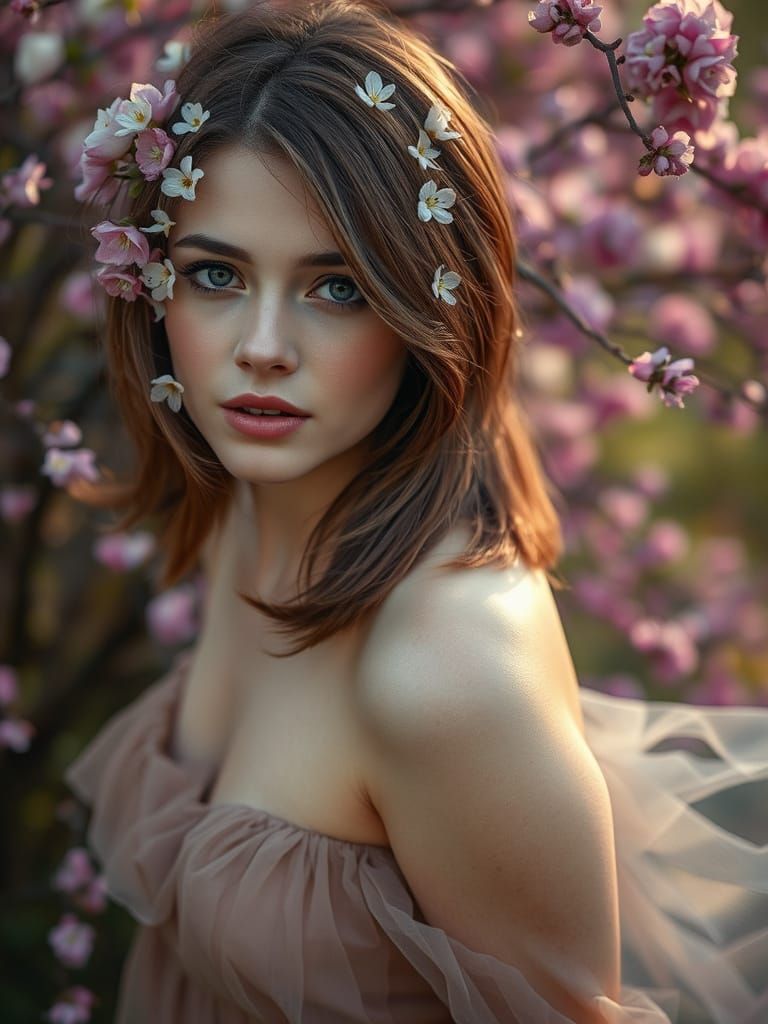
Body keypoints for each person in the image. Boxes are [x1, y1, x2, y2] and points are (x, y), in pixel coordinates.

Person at [65, 1, 768, 1021]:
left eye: (337, 287)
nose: (261, 346)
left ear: (430, 310)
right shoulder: (254, 499)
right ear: (150, 283)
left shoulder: (443, 674)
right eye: (215, 274)